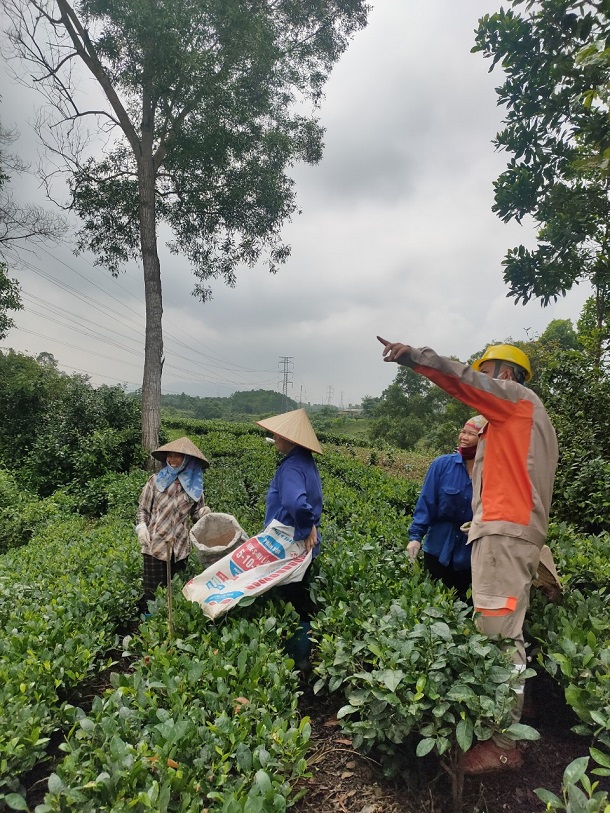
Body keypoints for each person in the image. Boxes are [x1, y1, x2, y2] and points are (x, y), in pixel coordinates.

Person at [379, 338, 558, 775]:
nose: (487, 382)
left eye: (490, 373)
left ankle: (502, 743)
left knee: (498, 636)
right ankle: (519, 711)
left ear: (505, 375)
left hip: (504, 532)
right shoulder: (529, 422)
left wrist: (413, 357)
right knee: (509, 628)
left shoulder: (516, 401)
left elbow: (463, 381)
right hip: (515, 532)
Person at [255, 408, 323, 670]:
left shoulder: (292, 467)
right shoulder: (304, 461)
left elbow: (296, 503)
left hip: (289, 545)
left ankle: (296, 659)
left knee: (290, 600)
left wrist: (306, 526)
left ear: (291, 439)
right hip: (298, 543)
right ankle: (300, 655)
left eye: (278, 434)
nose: (273, 437)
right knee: (298, 596)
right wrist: (311, 525)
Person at [407, 415, 487, 601]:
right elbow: (426, 504)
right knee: (434, 603)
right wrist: (415, 537)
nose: (464, 437)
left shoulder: (491, 473)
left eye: (471, 434)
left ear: (483, 440)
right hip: (438, 548)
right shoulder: (442, 465)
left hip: (471, 555)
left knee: (465, 607)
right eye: (463, 432)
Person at [136, 436, 210, 610]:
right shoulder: (154, 481)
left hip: (180, 549)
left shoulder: (195, 486)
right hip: (155, 546)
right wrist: (141, 527)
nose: (172, 460)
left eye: (178, 456)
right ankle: (152, 629)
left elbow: (196, 515)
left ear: (188, 460)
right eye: (170, 455)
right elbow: (143, 510)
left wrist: (204, 513)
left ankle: (172, 627)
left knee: (176, 592)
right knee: (153, 595)